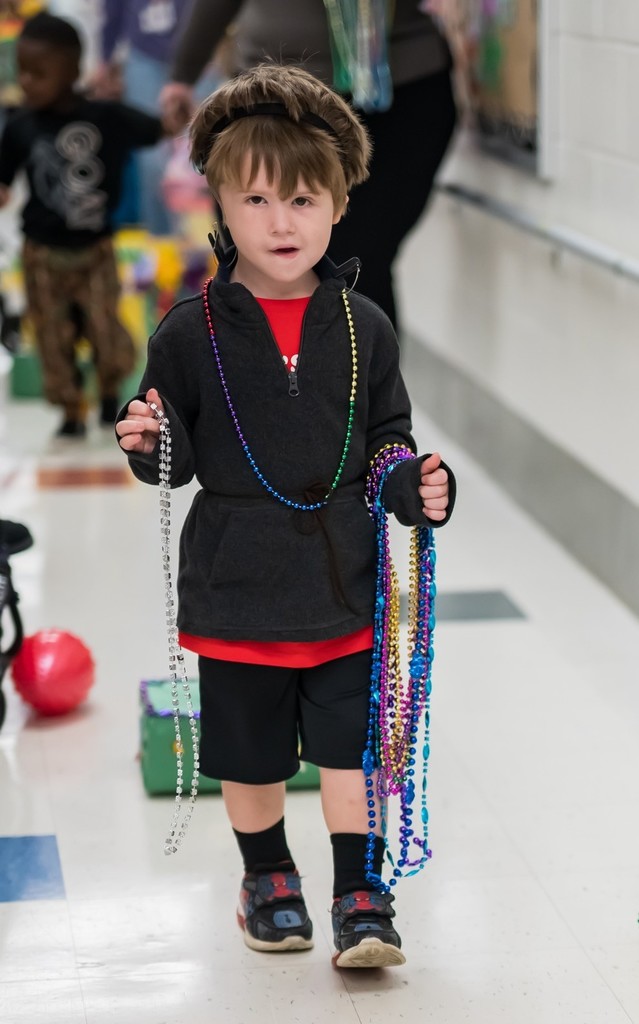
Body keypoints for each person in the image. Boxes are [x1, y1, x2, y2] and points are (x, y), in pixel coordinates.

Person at [115, 63, 456, 968]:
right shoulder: (190, 332)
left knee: (348, 756)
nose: (279, 221)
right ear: (220, 209)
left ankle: (358, 891)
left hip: (344, 584)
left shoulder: (363, 326)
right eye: (256, 199)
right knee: (253, 760)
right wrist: (147, 440)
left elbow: (386, 440)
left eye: (302, 199)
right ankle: (267, 877)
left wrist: (413, 486)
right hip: (236, 587)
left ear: (338, 206)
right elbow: (175, 457)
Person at [159, 0, 458, 330]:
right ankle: (257, 374)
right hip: (271, 97)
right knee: (253, 264)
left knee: (355, 265)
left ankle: (361, 378)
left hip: (397, 92)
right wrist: (183, 73)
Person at [0, 12, 168, 437]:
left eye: (39, 72)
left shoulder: (105, 117)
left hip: (95, 250)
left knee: (105, 329)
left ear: (73, 70)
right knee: (52, 340)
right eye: (22, 72)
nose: (28, 81)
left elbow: (157, 129)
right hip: (40, 251)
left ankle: (110, 391)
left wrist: (180, 111)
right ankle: (71, 409)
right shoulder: (20, 125)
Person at [91, 0, 224, 234]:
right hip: (144, 57)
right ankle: (162, 242)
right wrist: (106, 54)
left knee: (205, 156)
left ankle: (211, 243)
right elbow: (114, 7)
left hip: (200, 51)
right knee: (151, 159)